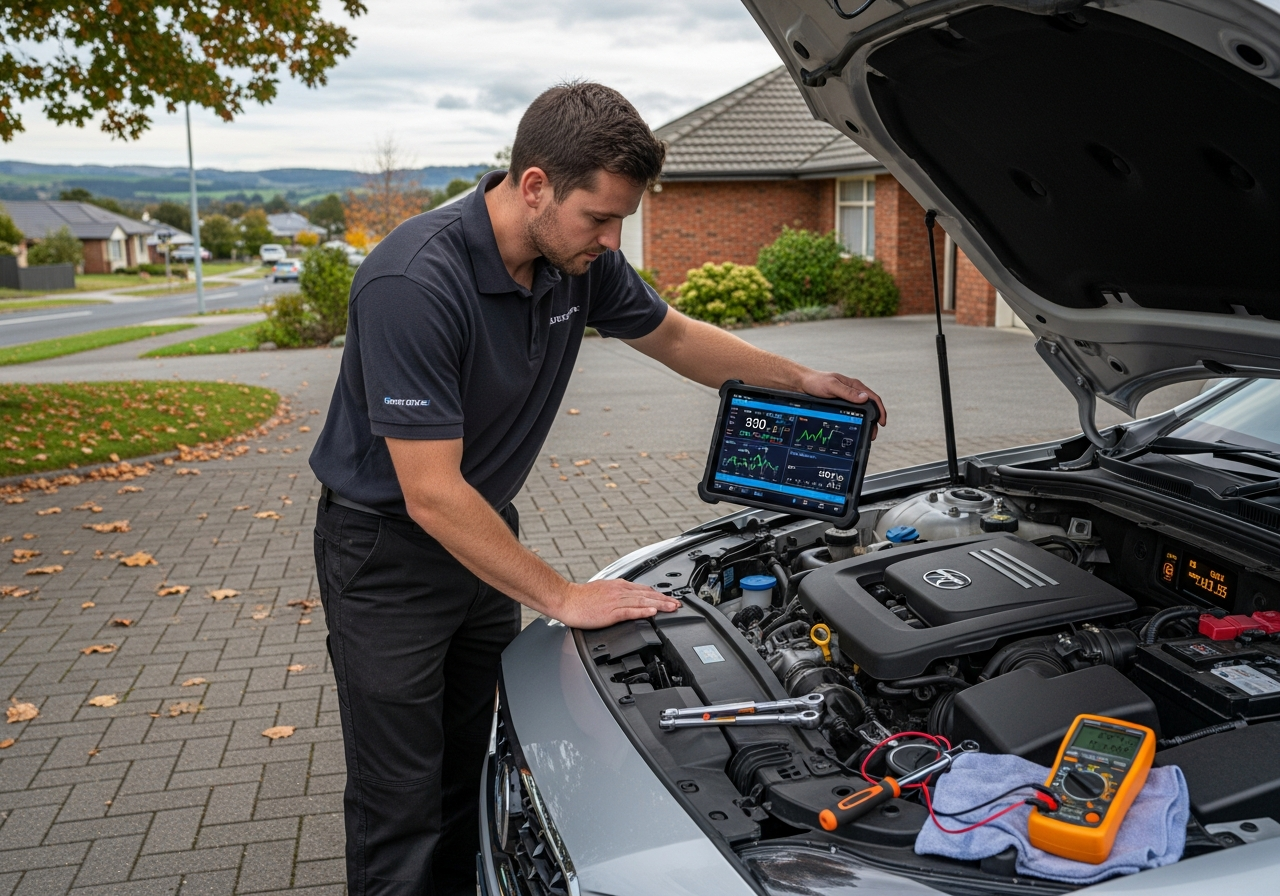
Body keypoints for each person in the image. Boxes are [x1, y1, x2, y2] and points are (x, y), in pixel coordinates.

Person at [309, 81, 887, 896]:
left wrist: (803, 379)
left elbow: (678, 337)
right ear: (536, 185)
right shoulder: (413, 282)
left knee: (471, 770)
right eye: (601, 218)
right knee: (398, 800)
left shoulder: (574, 262)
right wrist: (563, 595)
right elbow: (431, 493)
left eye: (623, 219)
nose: (614, 241)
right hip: (386, 557)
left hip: (481, 541)